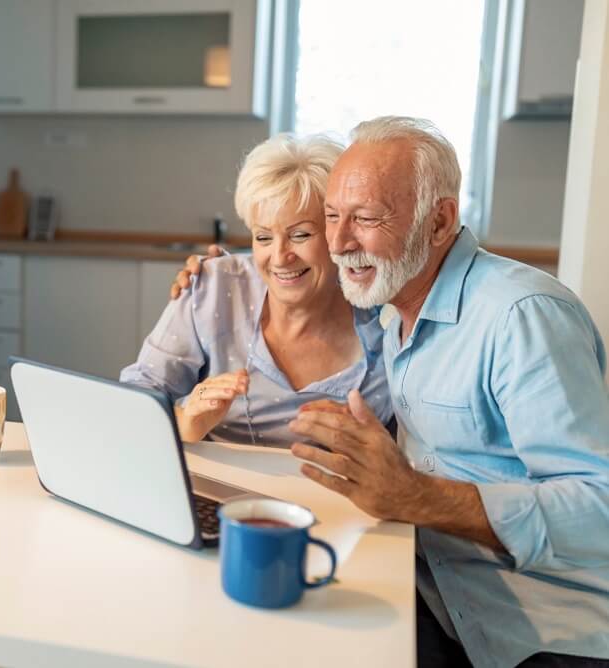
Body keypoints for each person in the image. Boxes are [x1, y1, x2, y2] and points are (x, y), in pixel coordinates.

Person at [176, 116, 609, 667]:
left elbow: (600, 506)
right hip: (431, 599)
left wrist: (418, 497)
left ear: (440, 221)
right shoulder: (391, 312)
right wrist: (219, 272)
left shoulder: (520, 315)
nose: (336, 242)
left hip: (537, 637)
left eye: (365, 218)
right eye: (331, 218)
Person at [120, 134, 391, 446]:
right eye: (263, 238)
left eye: (300, 235)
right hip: (216, 490)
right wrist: (184, 422)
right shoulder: (216, 287)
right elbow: (136, 397)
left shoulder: (385, 323)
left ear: (338, 233)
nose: (279, 258)